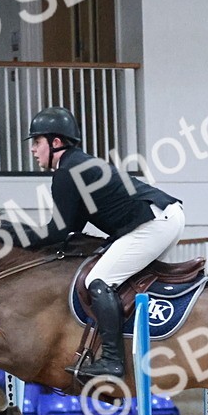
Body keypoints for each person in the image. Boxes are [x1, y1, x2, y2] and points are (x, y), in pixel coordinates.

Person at [25, 106, 184, 379]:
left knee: (97, 281)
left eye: (37, 142)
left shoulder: (67, 172)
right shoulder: (77, 166)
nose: (33, 150)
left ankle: (112, 361)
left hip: (154, 223)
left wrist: (17, 239)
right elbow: (72, 228)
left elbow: (56, 233)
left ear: (56, 142)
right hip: (161, 217)